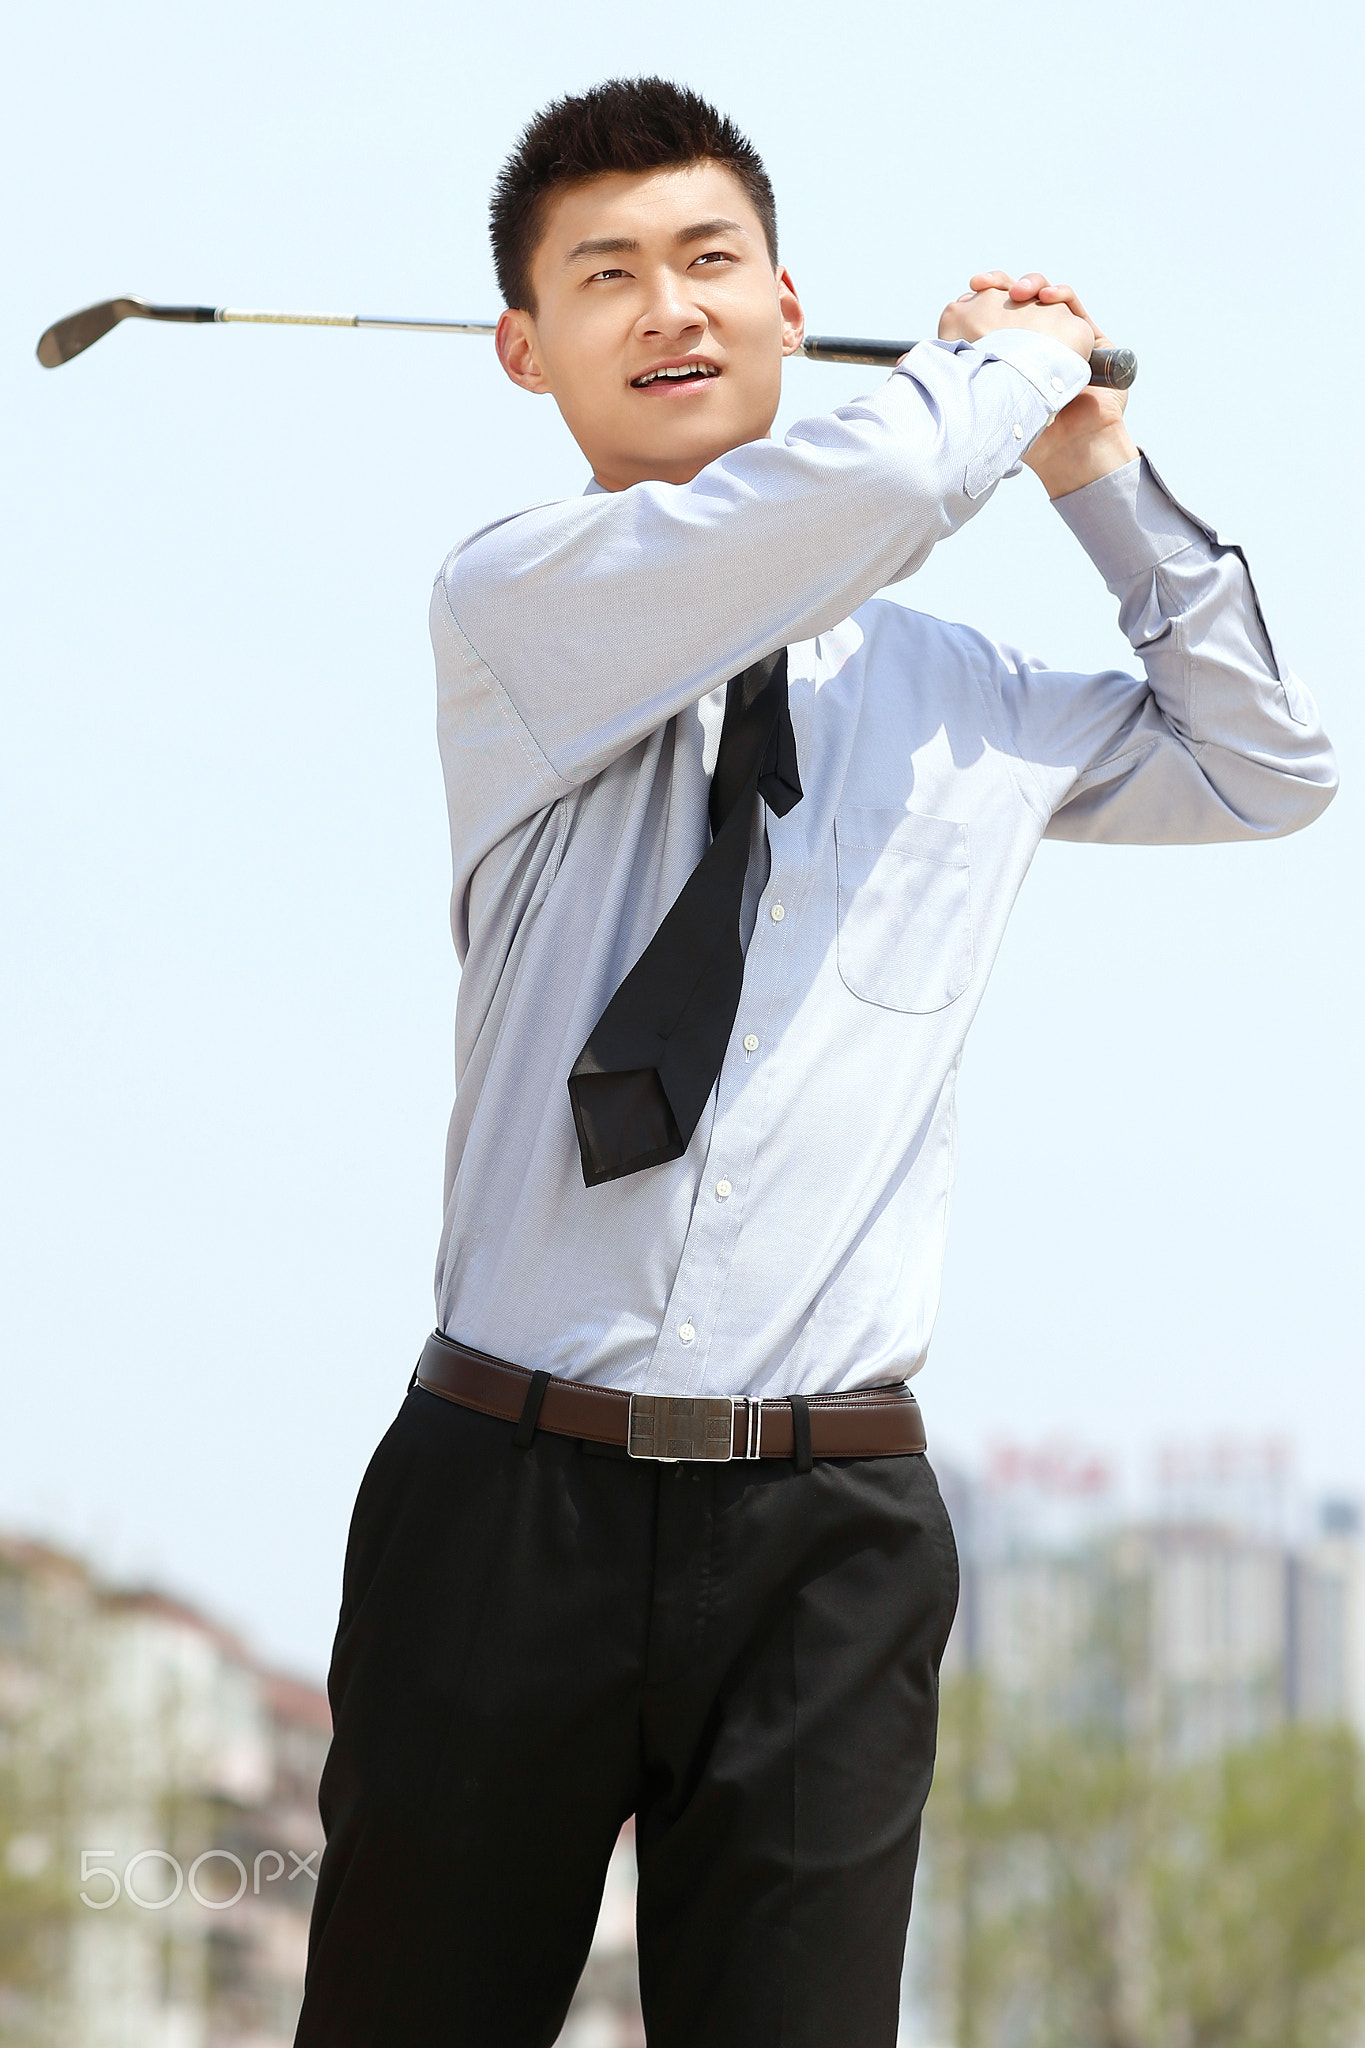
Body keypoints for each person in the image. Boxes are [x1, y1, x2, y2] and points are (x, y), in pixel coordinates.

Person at [293, 75, 1337, 2048]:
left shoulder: (954, 696)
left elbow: (1262, 763)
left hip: (826, 1535)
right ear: (524, 350)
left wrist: (1094, 463)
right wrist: (987, 374)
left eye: (707, 262)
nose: (666, 309)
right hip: (505, 1502)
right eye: (603, 278)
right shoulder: (522, 607)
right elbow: (851, 504)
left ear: (789, 304)